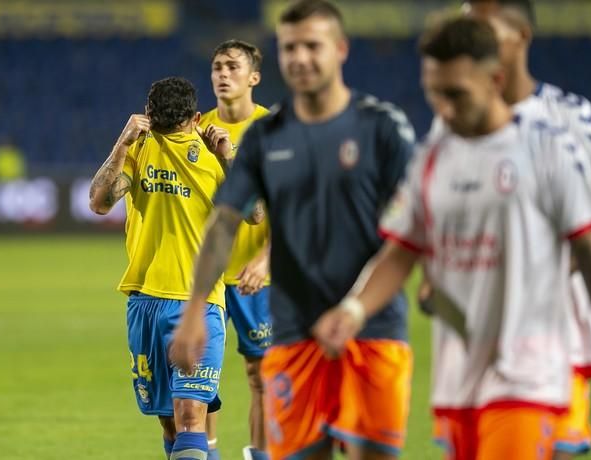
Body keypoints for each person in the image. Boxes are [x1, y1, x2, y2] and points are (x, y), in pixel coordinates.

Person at [314, 16, 591, 460]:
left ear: (495, 79)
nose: (444, 109)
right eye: (434, 94)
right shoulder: (432, 158)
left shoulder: (549, 147)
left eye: (456, 94)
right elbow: (400, 252)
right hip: (458, 377)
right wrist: (353, 308)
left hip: (527, 373)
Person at [170, 1, 416, 459]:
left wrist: (358, 308)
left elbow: (414, 230)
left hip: (373, 329)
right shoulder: (268, 137)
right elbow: (225, 222)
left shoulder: (381, 128)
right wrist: (194, 308)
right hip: (294, 332)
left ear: (340, 49)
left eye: (312, 45)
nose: (300, 57)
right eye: (289, 47)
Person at [420, 2, 591, 458]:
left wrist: (549, 262)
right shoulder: (449, 123)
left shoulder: (570, 115)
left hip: (556, 331)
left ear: (521, 35)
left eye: (484, 28)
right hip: (473, 342)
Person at [88, 76, 233, 460]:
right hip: (146, 300)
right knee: (169, 420)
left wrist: (228, 157)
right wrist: (123, 143)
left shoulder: (214, 156)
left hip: (199, 304)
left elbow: (254, 213)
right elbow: (100, 202)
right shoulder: (139, 150)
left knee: (190, 415)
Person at [199, 39, 271, 460]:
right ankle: (205, 454)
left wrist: (266, 259)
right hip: (207, 273)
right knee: (199, 375)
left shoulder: (273, 130)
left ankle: (260, 455)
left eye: (232, 67)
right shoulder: (196, 129)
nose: (222, 74)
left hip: (254, 274)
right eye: (216, 67)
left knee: (258, 373)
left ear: (253, 78)